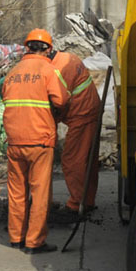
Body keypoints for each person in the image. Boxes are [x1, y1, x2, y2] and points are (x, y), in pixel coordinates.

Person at [2, 29, 69, 254]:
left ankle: (15, 237)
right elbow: (61, 99)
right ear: (48, 50)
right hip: (39, 141)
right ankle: (34, 242)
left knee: (16, 192)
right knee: (40, 193)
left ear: (27, 47)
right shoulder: (49, 70)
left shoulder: (12, 72)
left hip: (14, 141)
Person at [50, 41, 102, 216]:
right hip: (89, 110)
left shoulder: (55, 71)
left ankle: (76, 204)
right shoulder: (68, 58)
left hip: (82, 114)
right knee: (87, 161)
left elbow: (59, 101)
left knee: (73, 160)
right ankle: (87, 201)